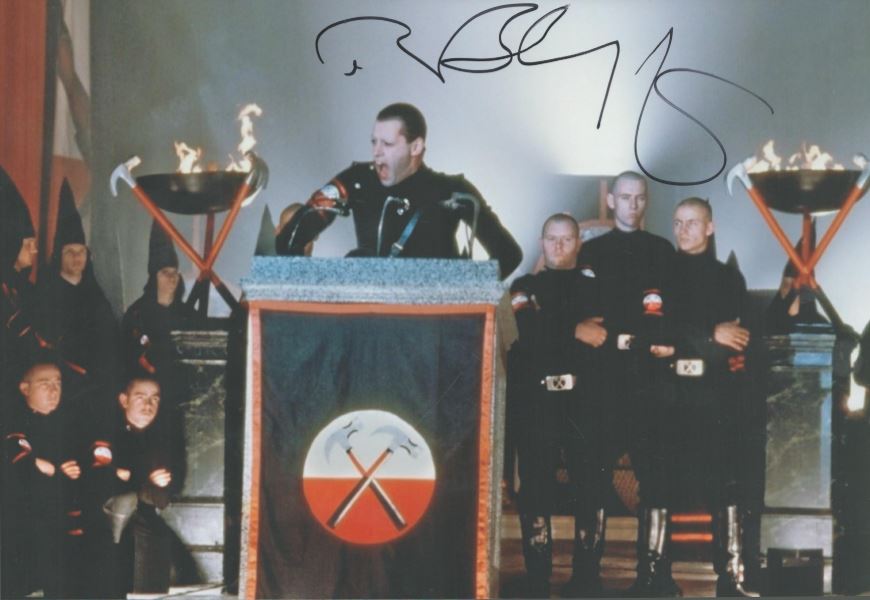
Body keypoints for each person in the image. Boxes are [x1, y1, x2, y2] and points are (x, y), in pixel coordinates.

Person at [571, 170, 680, 596]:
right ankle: (585, 578)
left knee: (656, 476)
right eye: (626, 197)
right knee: (591, 474)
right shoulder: (591, 252)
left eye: (640, 198)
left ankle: (654, 578)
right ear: (611, 201)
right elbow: (587, 309)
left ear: (645, 201)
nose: (633, 205)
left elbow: (668, 309)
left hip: (649, 377)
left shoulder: (662, 250)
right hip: (603, 379)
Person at [276, 102, 522, 279]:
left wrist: (464, 291)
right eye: (374, 141)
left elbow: (509, 254)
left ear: (416, 147)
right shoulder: (357, 179)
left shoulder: (452, 190)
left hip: (433, 324)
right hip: (370, 319)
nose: (377, 152)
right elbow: (290, 239)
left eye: (388, 143)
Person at [507, 214, 599, 597]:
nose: (558, 246)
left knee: (590, 484)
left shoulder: (597, 285)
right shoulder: (523, 286)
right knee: (534, 487)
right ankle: (537, 579)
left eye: (566, 239)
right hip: (538, 402)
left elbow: (600, 335)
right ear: (541, 243)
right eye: (552, 239)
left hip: (584, 401)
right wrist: (575, 328)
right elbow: (529, 332)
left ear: (579, 243)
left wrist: (551, 325)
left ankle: (587, 578)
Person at [669, 197, 755, 596]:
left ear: (710, 227)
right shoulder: (659, 273)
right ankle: (656, 577)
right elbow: (657, 328)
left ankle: (731, 576)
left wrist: (692, 336)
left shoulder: (728, 278)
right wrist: (708, 333)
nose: (683, 230)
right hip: (668, 392)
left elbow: (734, 336)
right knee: (662, 483)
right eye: (678, 222)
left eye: (692, 222)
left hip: (717, 393)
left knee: (725, 482)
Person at [34, 180, 119, 432]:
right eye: (69, 252)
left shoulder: (97, 296)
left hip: (97, 390)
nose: (76, 257)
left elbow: (110, 341)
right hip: (61, 390)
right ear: (59, 256)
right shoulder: (45, 294)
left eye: (81, 251)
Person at [2, 359, 90, 598]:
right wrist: (52, 471)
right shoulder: (13, 420)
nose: (53, 390)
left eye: (57, 383)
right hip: (25, 526)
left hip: (70, 522)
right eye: (44, 384)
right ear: (25, 388)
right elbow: (21, 468)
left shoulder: (72, 424)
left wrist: (57, 470)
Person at [96, 376, 179, 597]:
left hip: (145, 529)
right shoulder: (107, 434)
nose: (148, 405)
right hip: (107, 527)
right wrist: (146, 481)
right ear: (124, 400)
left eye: (155, 399)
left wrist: (133, 478)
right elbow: (101, 481)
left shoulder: (164, 441)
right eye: (140, 397)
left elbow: (162, 498)